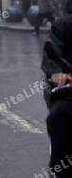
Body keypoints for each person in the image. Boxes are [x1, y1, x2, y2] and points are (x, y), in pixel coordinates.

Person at [42, 14, 72, 178]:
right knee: (59, 115)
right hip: (68, 92)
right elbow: (52, 56)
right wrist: (57, 73)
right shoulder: (63, 26)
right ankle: (60, 169)